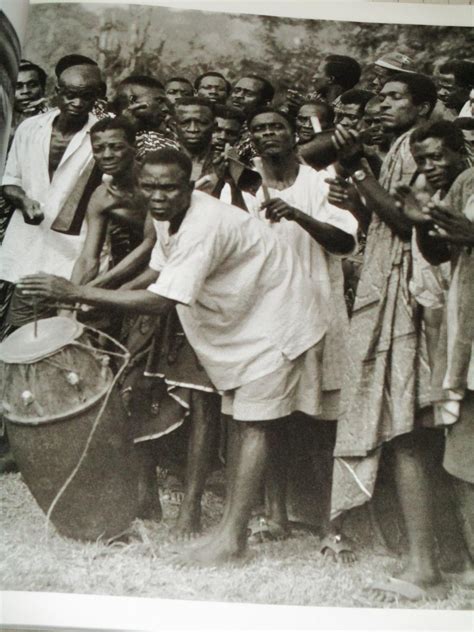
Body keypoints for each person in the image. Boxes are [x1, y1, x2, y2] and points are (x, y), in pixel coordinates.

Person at [18, 147, 328, 566]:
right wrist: (97, 299)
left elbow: (163, 301)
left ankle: (232, 543)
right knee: (239, 423)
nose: (158, 196)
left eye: (168, 187)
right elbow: (159, 270)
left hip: (278, 321)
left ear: (188, 185)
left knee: (254, 425)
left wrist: (76, 292)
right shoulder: (169, 217)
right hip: (246, 321)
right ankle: (229, 535)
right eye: (149, 187)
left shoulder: (204, 223)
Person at [328, 73, 451, 600]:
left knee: (407, 429)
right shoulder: (401, 146)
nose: (381, 105)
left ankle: (425, 563)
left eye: (394, 97)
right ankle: (437, 556)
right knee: (408, 429)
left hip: (415, 303)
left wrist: (361, 171)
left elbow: (408, 225)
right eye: (379, 96)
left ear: (425, 107)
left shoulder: (429, 149)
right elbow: (381, 222)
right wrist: (357, 190)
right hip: (393, 291)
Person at [245, 107, 357, 554]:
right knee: (270, 417)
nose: (267, 134)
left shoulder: (321, 179)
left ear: (295, 135)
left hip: (317, 312)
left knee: (322, 423)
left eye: (276, 126)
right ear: (250, 138)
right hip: (264, 316)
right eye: (258, 128)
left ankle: (333, 523)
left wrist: (296, 214)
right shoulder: (243, 181)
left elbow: (345, 242)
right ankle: (275, 516)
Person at [0, 54, 104, 329]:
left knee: (63, 335)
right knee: (20, 330)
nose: (78, 103)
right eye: (70, 95)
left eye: (87, 97)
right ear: (57, 92)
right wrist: (23, 200)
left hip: (75, 253)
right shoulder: (30, 128)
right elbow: (10, 179)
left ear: (97, 97)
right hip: (28, 246)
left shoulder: (103, 136)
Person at [113, 75, 179, 159]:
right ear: (133, 101)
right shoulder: (99, 132)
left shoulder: (167, 143)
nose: (165, 109)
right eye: (159, 101)